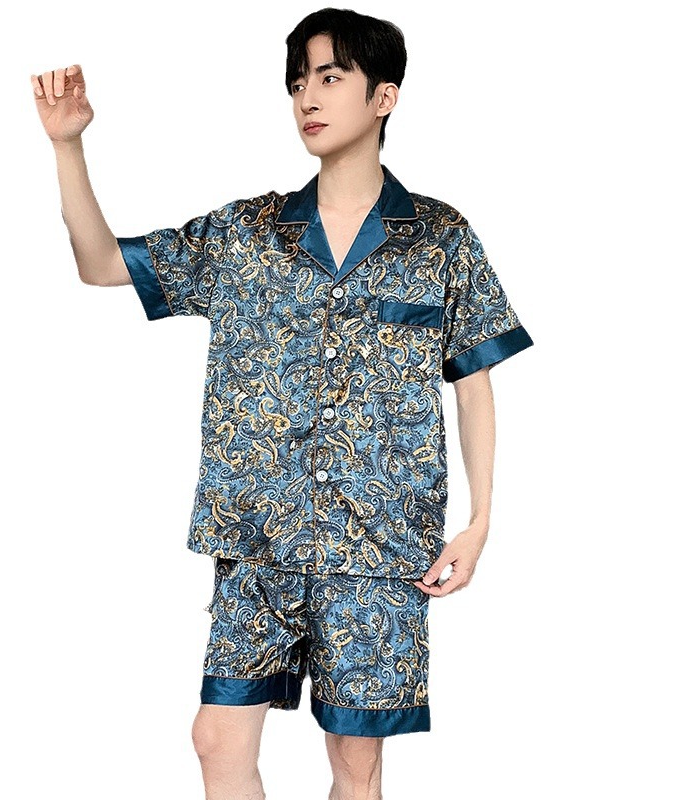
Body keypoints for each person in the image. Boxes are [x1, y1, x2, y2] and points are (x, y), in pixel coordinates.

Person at [32, 8, 533, 799]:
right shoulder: (246, 234)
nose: (308, 97)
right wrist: (68, 146)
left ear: (384, 97)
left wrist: (480, 520)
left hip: (379, 544)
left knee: (356, 763)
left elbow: (473, 380)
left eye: (330, 77)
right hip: (257, 535)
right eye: (298, 82)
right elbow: (99, 263)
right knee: (215, 738)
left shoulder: (441, 238)